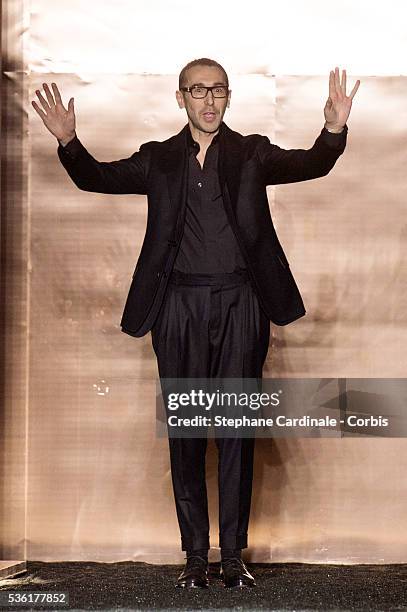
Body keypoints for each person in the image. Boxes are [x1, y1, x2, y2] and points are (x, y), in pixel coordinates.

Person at [32, 58, 360, 589]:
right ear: (180, 98)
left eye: (218, 90)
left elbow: (312, 164)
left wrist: (334, 129)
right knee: (186, 431)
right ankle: (193, 558)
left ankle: (232, 557)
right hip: (178, 307)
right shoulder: (159, 160)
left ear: (228, 97)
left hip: (241, 303)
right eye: (197, 91)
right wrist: (70, 142)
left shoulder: (251, 152)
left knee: (235, 430)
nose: (209, 100)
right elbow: (98, 178)